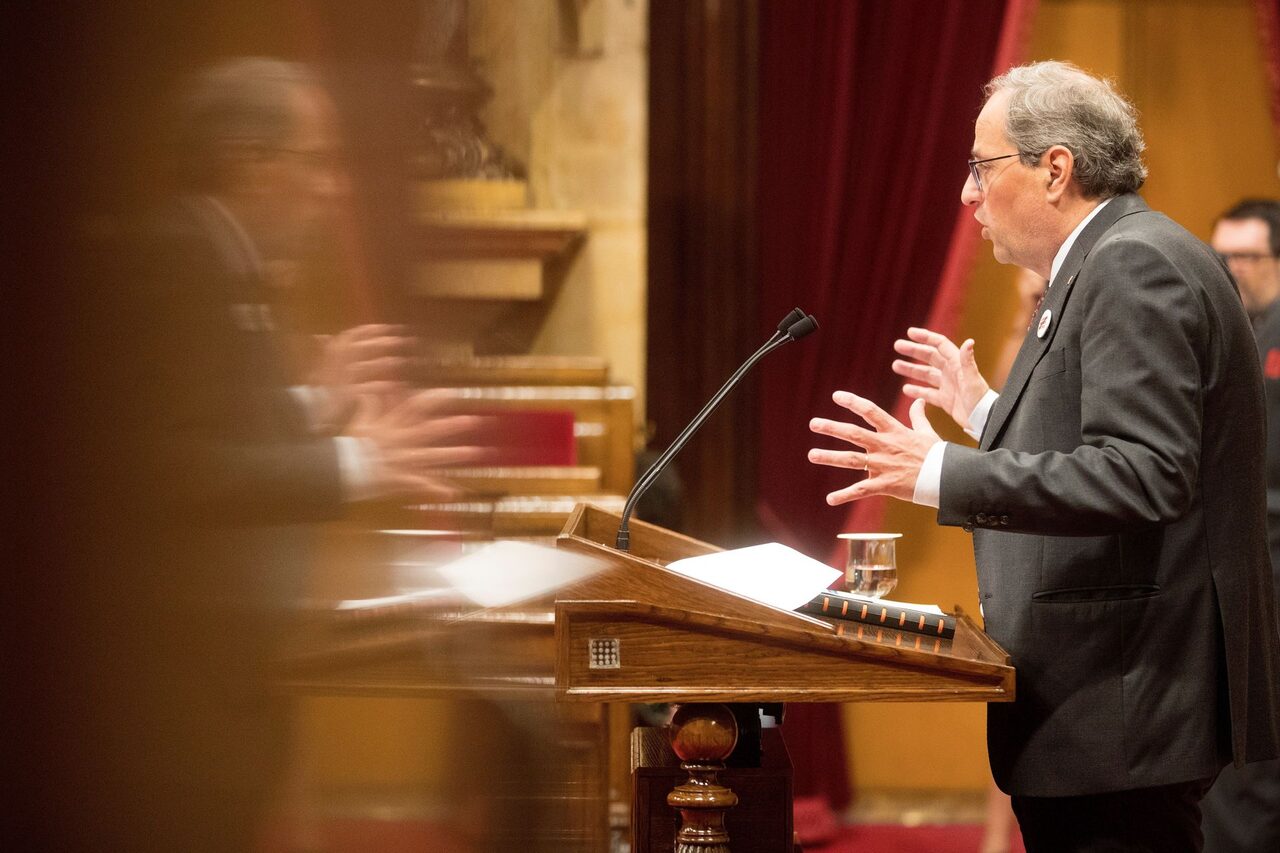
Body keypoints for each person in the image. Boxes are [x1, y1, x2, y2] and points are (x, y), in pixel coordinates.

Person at [808, 61, 1280, 851]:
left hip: (1126, 698)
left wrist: (938, 472)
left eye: (980, 168)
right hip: (1110, 700)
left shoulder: (1133, 265)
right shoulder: (1106, 262)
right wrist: (986, 412)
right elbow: (1104, 444)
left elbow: (1145, 472)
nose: (967, 194)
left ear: (1055, 168)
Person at [58, 58, 481, 852]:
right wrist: (354, 461)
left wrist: (313, 405)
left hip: (226, 666)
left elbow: (202, 422)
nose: (334, 188)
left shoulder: (216, 254)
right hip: (178, 677)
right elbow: (155, 465)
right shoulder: (176, 257)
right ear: (252, 163)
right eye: (316, 161)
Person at [1200, 199, 1280, 852]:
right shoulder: (1241, 333)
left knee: (1251, 768)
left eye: (1244, 257)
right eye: (1218, 255)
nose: (1228, 269)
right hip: (1251, 566)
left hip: (1270, 569)